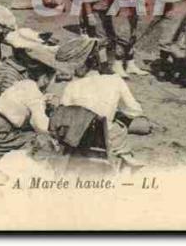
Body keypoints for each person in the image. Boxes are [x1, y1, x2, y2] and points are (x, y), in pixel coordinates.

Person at [57, 36, 144, 166]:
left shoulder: (72, 86)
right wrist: (117, 111)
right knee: (120, 126)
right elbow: (136, 110)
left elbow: (64, 114)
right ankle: (124, 155)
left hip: (78, 140)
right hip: (106, 138)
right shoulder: (115, 80)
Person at [0, 57, 56, 165]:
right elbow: (40, 125)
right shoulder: (35, 94)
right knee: (37, 140)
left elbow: (21, 101)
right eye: (53, 79)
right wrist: (56, 130)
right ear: (45, 78)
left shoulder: (22, 83)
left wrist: (42, 100)